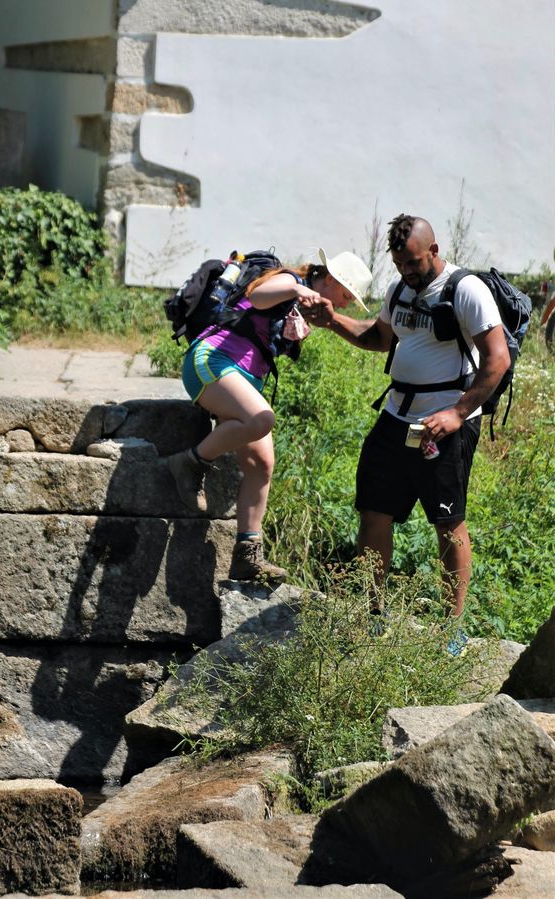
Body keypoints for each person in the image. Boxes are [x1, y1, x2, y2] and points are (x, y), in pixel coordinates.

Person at [309, 215, 510, 652]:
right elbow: (379, 337)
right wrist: (332, 321)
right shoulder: (399, 290)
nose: (408, 271)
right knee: (374, 513)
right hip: (396, 418)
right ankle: (374, 615)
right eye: (400, 264)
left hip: (445, 425)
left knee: (447, 522)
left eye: (415, 262)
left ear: (434, 250)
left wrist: (457, 413)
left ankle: (451, 630)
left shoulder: (466, 289)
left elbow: (497, 360)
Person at [167, 249, 373, 582]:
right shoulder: (290, 279)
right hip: (212, 362)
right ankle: (190, 462)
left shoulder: (306, 304)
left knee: (262, 464)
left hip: (243, 378)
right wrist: (297, 289)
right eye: (348, 295)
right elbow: (257, 296)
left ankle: (247, 555)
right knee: (262, 419)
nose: (348, 303)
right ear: (332, 280)